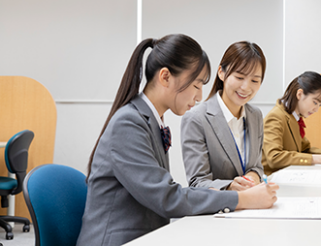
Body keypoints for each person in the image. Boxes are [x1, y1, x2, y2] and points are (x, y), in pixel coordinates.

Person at [76, 35, 278, 246]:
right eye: (196, 85)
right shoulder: (128, 123)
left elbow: (168, 193)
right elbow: (168, 198)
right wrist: (243, 199)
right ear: (165, 77)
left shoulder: (150, 119)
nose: (199, 96)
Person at [181, 41, 266, 191]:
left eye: (254, 80)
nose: (246, 87)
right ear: (221, 72)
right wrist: (230, 187)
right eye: (239, 77)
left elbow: (256, 166)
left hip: (252, 206)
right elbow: (197, 182)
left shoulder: (255, 116)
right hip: (219, 211)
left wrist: (253, 176)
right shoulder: (197, 119)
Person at [261, 71, 321, 175]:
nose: (316, 110)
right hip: (273, 181)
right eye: (315, 102)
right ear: (299, 94)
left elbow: (305, 149)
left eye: (319, 105)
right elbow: (274, 157)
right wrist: (319, 159)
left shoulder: (293, 117)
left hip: (288, 176)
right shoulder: (276, 117)